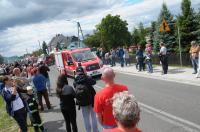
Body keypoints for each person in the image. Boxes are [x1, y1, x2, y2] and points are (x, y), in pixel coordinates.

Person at [73, 65, 98, 132]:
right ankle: (95, 130)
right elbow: (94, 82)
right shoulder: (87, 78)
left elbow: (75, 86)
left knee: (86, 118)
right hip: (92, 100)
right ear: (83, 71)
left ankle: (88, 131)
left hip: (82, 102)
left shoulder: (75, 80)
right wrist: (87, 75)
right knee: (93, 116)